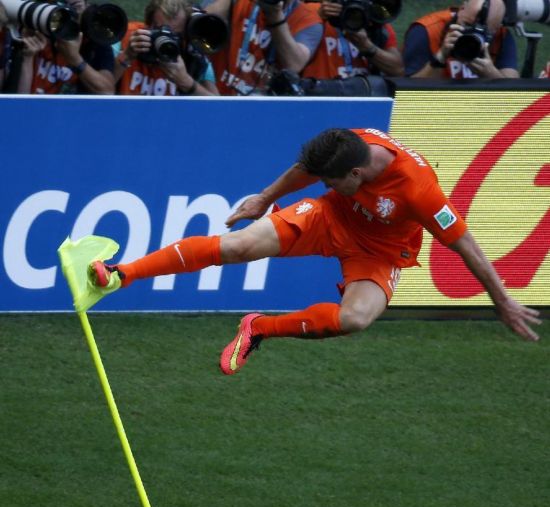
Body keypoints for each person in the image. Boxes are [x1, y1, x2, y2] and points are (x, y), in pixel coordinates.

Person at [89, 127, 541, 375]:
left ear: (360, 173)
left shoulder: (419, 190)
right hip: (330, 219)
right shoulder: (348, 148)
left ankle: (260, 328)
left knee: (356, 319)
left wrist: (501, 300)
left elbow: (464, 244)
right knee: (240, 245)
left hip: (382, 249)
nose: (326, 184)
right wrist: (266, 197)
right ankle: (120, 273)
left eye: (334, 181)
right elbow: (308, 170)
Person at [204, 0, 322, 95]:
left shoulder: (308, 19)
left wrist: (275, 15)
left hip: (267, 105)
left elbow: (293, 64)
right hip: (222, 97)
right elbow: (201, 24)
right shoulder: (238, 2)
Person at [115, 0, 218, 96]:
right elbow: (103, 90)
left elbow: (220, 106)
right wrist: (127, 55)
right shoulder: (129, 38)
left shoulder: (193, 53)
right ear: (148, 25)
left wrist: (187, 82)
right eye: (161, 31)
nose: (168, 41)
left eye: (176, 35)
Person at [16, 0, 115, 94]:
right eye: (62, 6)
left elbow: (107, 92)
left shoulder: (95, 42)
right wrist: (27, 58)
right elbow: (18, 102)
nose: (70, 14)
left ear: (87, 6)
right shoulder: (35, 32)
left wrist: (75, 60)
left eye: (76, 6)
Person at [403, 0, 519, 80]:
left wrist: (490, 73)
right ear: (462, 9)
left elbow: (514, 94)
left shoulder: (502, 36)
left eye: (484, 32)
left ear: (497, 26)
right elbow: (408, 92)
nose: (472, 35)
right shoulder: (427, 30)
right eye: (467, 25)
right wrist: (440, 57)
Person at [301, 0, 403, 81]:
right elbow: (291, 60)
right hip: (322, 93)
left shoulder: (376, 22)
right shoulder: (314, 10)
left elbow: (398, 70)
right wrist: (317, 19)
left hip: (365, 94)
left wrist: (368, 47)